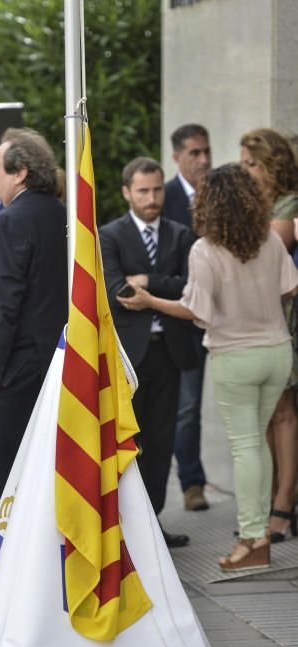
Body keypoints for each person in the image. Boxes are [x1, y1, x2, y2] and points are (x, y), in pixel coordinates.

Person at [135, 164, 298, 571]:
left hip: (235, 357)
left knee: (246, 447)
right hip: (277, 352)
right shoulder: (270, 241)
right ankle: (259, 532)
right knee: (256, 445)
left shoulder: (205, 250)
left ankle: (251, 540)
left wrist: (150, 301)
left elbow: (195, 309)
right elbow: (290, 287)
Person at [99, 156, 197, 548]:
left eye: (157, 189)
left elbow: (192, 287)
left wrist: (149, 284)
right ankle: (123, 528)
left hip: (170, 353)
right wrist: (154, 289)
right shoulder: (110, 235)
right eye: (143, 190)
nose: (152, 197)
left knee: (161, 442)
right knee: (126, 443)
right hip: (128, 358)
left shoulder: (180, 234)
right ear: (127, 192)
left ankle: (153, 524)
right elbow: (114, 291)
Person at [0, 128, 68, 508]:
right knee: (52, 479)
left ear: (21, 172)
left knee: (13, 483)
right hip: (62, 363)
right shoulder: (64, 213)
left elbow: (2, 306)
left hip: (17, 372)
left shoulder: (10, 220)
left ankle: (12, 566)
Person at [240, 128, 298, 543]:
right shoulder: (257, 204)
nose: (245, 171)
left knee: (282, 413)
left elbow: (264, 255)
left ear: (269, 165)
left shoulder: (287, 205)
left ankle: (283, 506)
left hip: (282, 320)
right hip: (255, 320)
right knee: (264, 414)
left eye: (250, 164)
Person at [163, 124, 212, 512]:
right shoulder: (163, 197)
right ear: (177, 156)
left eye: (206, 151)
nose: (204, 160)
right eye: (194, 153)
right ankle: (191, 483)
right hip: (183, 317)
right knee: (186, 406)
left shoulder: (221, 192)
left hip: (225, 316)